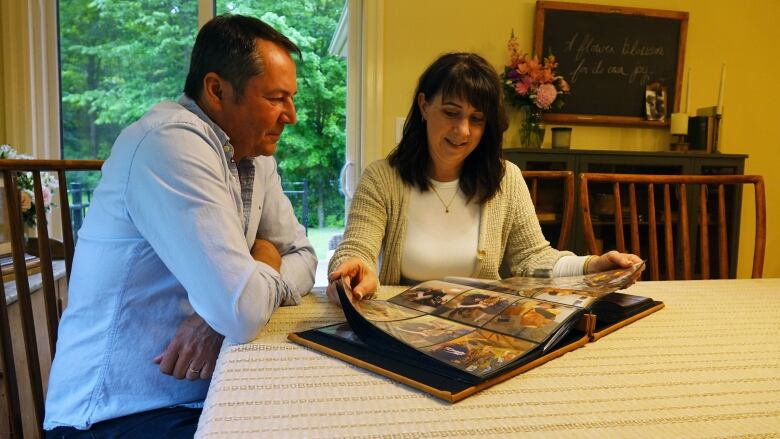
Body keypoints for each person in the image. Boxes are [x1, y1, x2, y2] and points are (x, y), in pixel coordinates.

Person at [44, 15, 317, 437]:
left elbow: (304, 256)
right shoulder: (170, 144)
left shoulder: (256, 156)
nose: (292, 116)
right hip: (114, 413)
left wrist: (219, 313)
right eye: (277, 98)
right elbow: (241, 312)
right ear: (216, 90)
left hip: (201, 393)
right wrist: (258, 266)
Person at [327, 52, 640, 304]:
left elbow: (533, 258)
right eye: (451, 112)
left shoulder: (506, 179)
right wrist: (354, 270)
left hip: (484, 332)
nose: (462, 131)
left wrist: (592, 266)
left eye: (476, 119)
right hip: (402, 329)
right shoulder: (382, 178)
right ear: (424, 105)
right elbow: (357, 247)